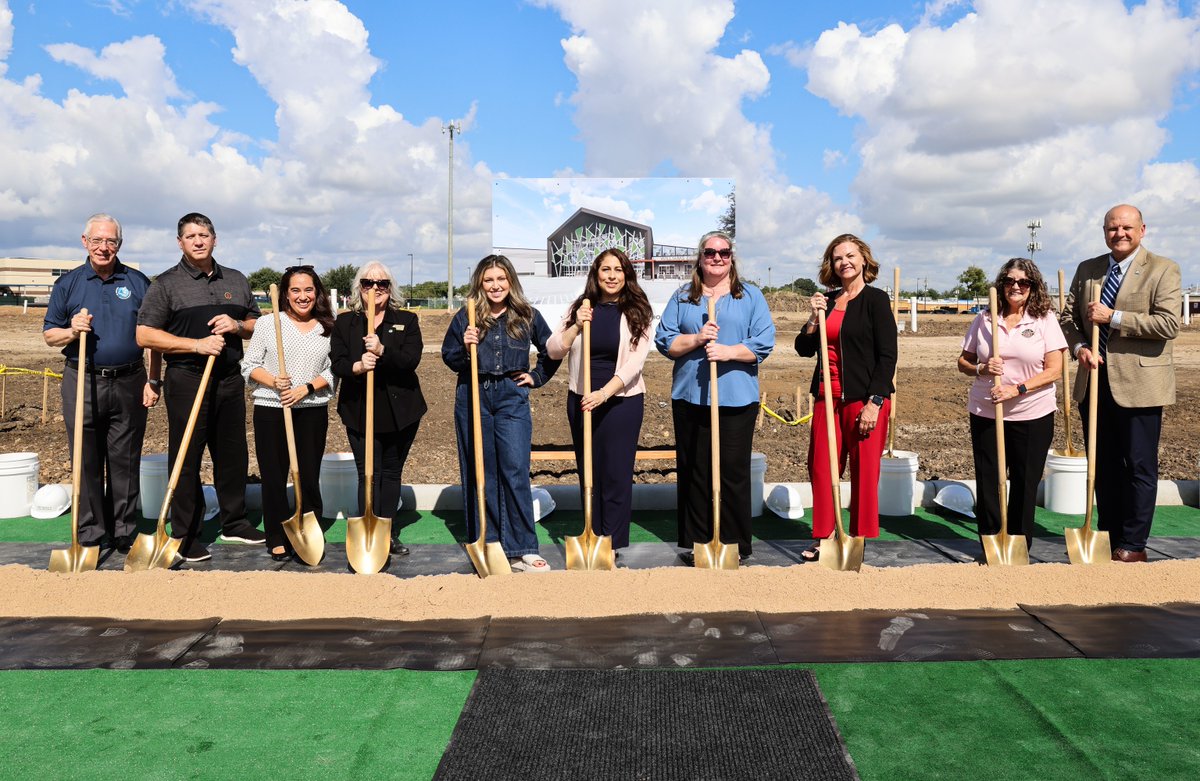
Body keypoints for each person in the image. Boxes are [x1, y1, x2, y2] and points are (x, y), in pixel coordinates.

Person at [136, 213, 264, 563]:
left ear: (214, 239)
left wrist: (236, 325)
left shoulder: (236, 279)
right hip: (187, 378)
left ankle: (234, 522)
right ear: (180, 242)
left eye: (204, 235)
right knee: (187, 456)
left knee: (233, 454)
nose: (198, 241)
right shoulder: (166, 284)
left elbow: (256, 324)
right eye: (190, 236)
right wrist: (196, 345)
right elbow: (145, 335)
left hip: (229, 379)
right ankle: (186, 532)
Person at [1061, 204, 1181, 562]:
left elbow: (1168, 324)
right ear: (1104, 232)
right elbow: (1068, 318)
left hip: (1140, 385)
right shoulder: (1089, 269)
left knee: (1139, 466)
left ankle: (1134, 543)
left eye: (1127, 227)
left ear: (1142, 230)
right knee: (1103, 465)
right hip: (1095, 381)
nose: (1120, 234)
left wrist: (1113, 317)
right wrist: (1080, 348)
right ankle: (1110, 535)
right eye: (1113, 228)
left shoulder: (1163, 269)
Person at [655, 231, 775, 564]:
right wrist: (697, 338)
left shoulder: (750, 296)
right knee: (695, 470)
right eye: (710, 252)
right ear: (701, 257)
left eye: (724, 252)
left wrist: (728, 352)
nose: (717, 257)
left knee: (733, 473)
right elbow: (665, 341)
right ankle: (698, 542)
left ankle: (735, 543)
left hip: (736, 399)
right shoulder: (683, 296)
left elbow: (763, 342)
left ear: (731, 257)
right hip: (691, 398)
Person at [42, 213, 159, 553]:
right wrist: (72, 331)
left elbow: (152, 337)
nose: (104, 247)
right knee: (86, 457)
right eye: (97, 240)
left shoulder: (137, 282)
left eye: (111, 241)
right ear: (85, 242)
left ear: (119, 244)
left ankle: (123, 529)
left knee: (125, 458)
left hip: (130, 380)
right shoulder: (68, 284)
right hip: (82, 378)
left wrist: (153, 379)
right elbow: (50, 335)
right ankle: (91, 529)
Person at [442, 255, 560, 572]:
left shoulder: (527, 315)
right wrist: (464, 346)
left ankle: (523, 548)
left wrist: (536, 376)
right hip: (473, 393)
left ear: (510, 282)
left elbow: (552, 350)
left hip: (511, 396)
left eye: (501, 279)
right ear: (480, 284)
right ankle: (487, 541)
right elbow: (449, 356)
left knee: (515, 468)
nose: (495, 286)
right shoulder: (467, 316)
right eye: (489, 280)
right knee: (481, 470)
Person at [794, 234, 896, 560]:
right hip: (827, 397)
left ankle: (857, 538)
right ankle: (825, 535)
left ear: (864, 259)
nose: (844, 262)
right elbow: (803, 348)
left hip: (864, 398)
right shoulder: (826, 300)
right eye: (838, 258)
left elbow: (887, 356)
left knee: (864, 471)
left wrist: (875, 402)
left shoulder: (876, 300)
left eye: (850, 256)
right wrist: (814, 317)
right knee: (821, 467)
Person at [547, 248, 654, 553]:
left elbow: (635, 363)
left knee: (616, 473)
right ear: (596, 274)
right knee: (589, 472)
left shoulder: (637, 311)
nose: (612, 276)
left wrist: (604, 393)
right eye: (606, 269)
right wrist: (576, 326)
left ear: (627, 275)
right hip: (581, 401)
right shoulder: (580, 307)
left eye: (618, 270)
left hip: (621, 402)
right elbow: (553, 349)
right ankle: (592, 535)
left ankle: (613, 543)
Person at [958, 259, 1065, 549]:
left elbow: (1054, 370)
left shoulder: (1044, 319)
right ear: (1001, 284)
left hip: (1033, 413)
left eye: (1023, 282)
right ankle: (991, 543)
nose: (1015, 286)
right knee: (989, 480)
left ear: (1033, 286)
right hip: (986, 412)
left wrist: (1016, 390)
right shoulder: (984, 319)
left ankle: (1018, 544)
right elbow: (963, 361)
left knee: (1024, 482)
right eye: (1009, 281)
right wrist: (981, 368)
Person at [330, 261, 426, 557]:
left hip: (400, 412)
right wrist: (358, 366)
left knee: (391, 471)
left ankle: (387, 532)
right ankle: (367, 529)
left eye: (382, 283)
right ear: (359, 288)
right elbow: (337, 362)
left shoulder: (406, 320)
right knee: (368, 472)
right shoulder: (345, 322)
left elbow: (410, 360)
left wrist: (382, 349)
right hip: (360, 410)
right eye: (368, 283)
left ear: (390, 287)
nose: (375, 288)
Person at [242, 267, 336, 561]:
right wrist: (274, 381)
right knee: (273, 475)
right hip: (272, 409)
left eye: (308, 290)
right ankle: (276, 534)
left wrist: (305, 388)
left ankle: (309, 528)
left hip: (312, 410)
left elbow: (334, 370)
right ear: (285, 294)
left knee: (308, 475)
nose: (302, 296)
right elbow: (249, 365)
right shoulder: (269, 324)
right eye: (295, 290)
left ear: (317, 293)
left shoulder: (328, 327)